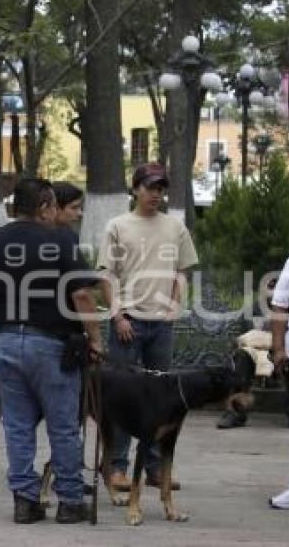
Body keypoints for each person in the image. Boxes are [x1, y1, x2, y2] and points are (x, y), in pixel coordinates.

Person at [0, 178, 104, 524]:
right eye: (54, 204)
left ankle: (25, 501)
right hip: (52, 344)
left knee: (17, 424)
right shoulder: (61, 240)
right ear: (44, 206)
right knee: (63, 426)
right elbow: (82, 295)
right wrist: (97, 339)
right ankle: (70, 501)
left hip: (6, 342)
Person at [97, 163, 198, 491]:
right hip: (128, 321)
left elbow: (183, 269)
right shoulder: (117, 225)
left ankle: (155, 467)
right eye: (150, 187)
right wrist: (117, 316)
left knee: (161, 400)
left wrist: (174, 304)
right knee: (123, 398)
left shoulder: (175, 227)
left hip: (162, 325)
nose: (156, 194)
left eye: (161, 188)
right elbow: (105, 274)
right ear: (136, 188)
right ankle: (117, 467)